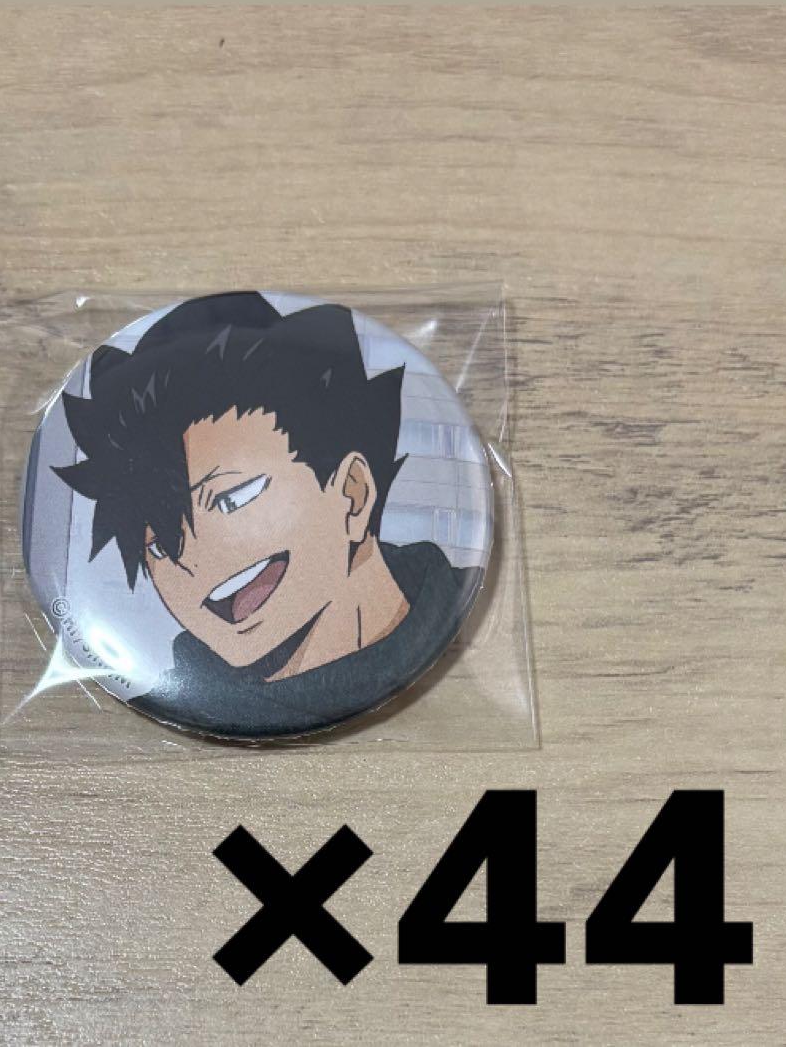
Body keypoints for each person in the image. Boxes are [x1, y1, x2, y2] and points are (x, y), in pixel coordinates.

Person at [55, 292, 481, 737]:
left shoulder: (453, 612)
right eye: (159, 546)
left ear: (352, 493)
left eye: (230, 500)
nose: (189, 562)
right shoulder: (172, 695)